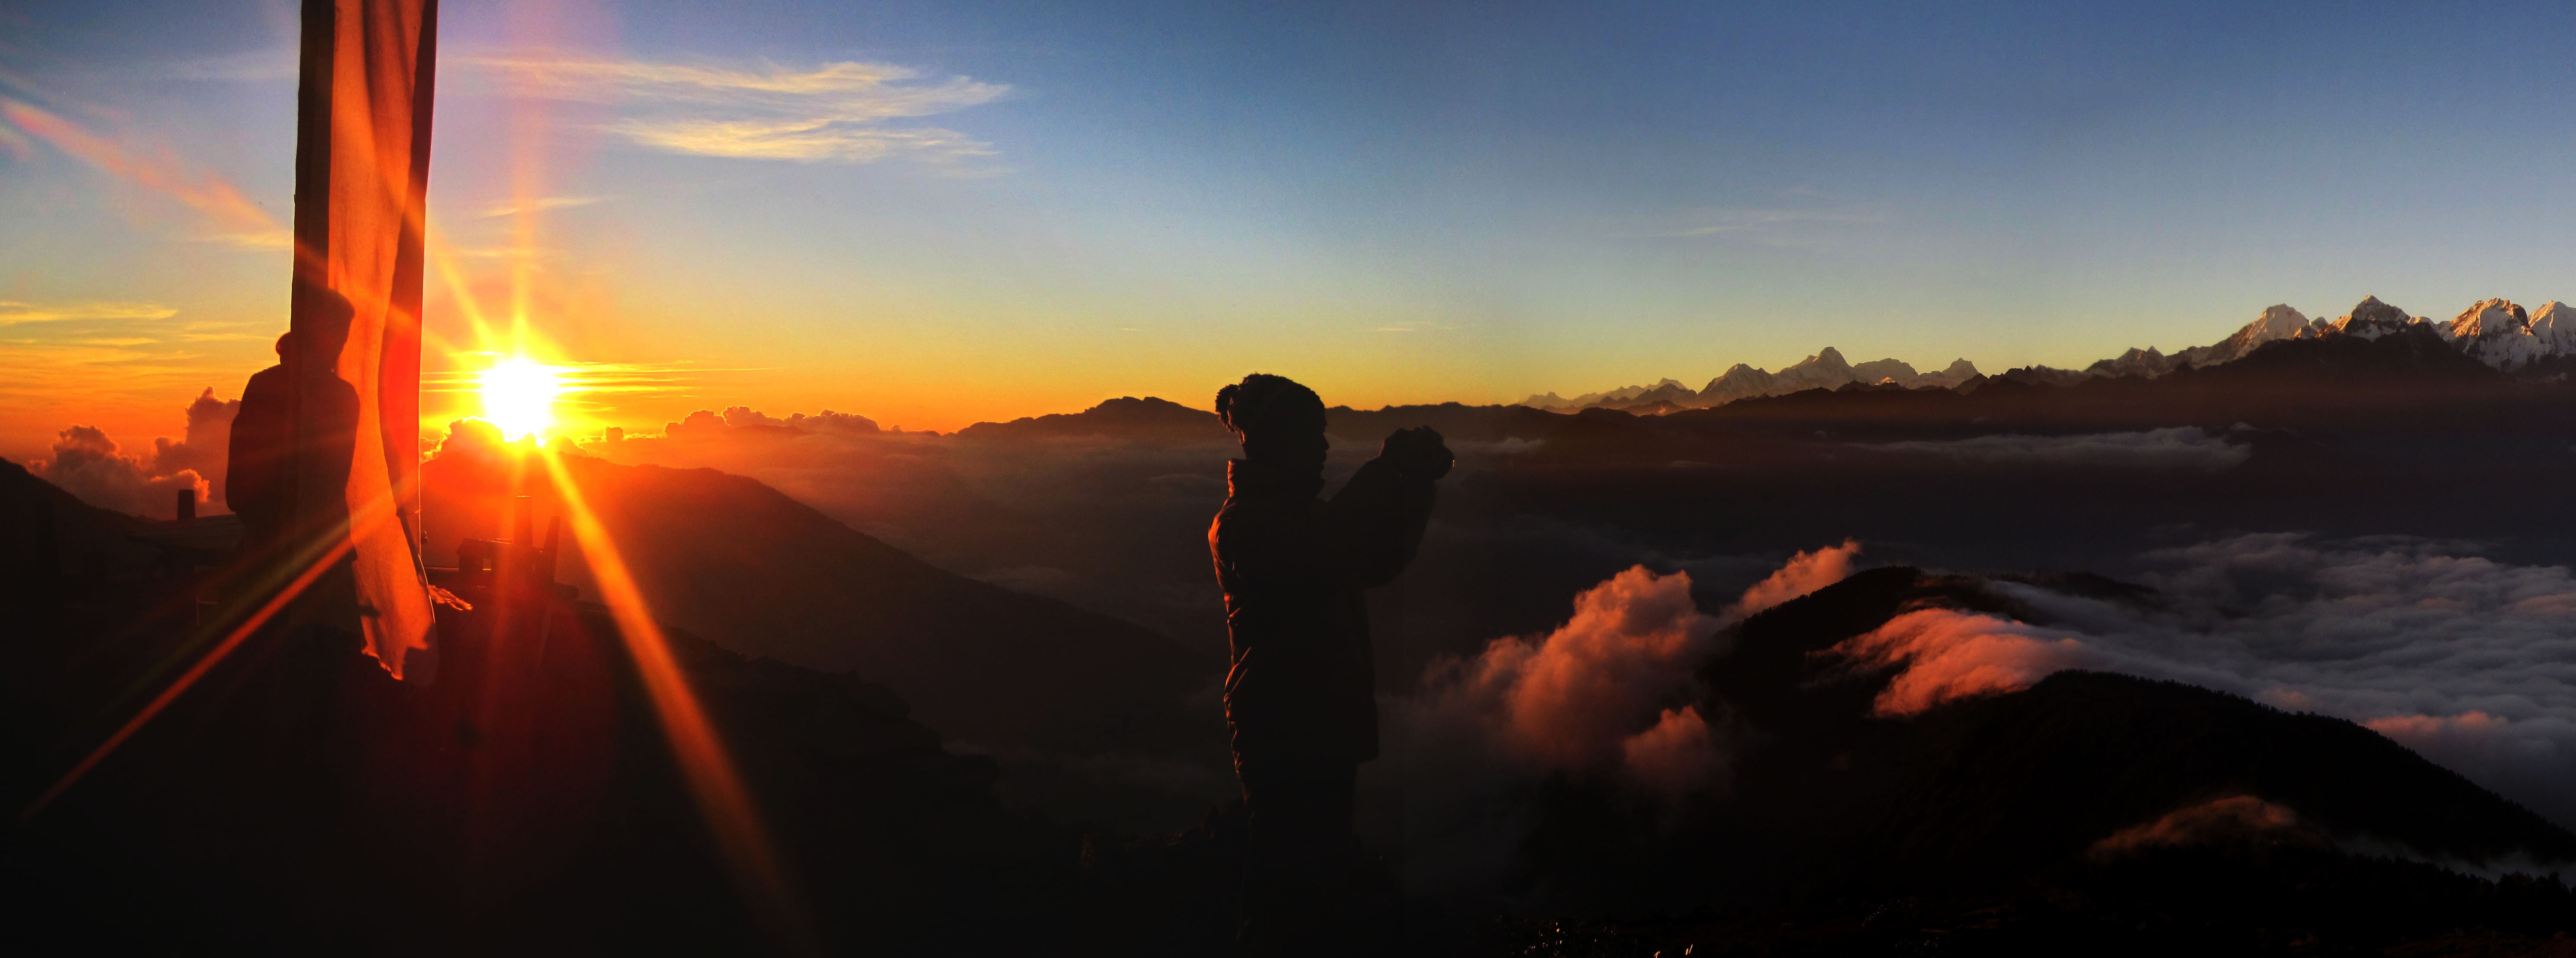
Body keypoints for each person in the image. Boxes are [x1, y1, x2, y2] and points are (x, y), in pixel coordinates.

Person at [1208, 373, 1450, 953]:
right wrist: (1389, 472)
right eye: (1312, 434)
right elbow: (1333, 547)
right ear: (1276, 441)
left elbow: (1374, 561)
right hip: (1284, 733)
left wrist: (1414, 485)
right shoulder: (1246, 524)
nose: (1324, 446)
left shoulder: (1294, 517)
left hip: (1315, 729)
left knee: (1311, 895)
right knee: (1283, 905)